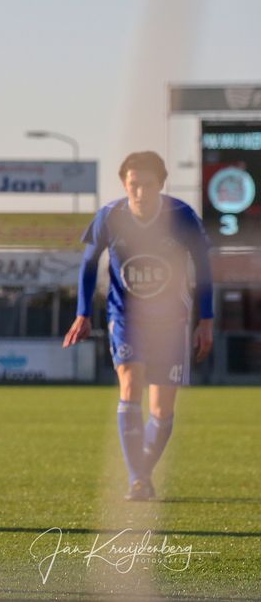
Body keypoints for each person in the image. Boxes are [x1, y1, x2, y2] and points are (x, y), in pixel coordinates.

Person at [63, 151, 213, 501]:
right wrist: (83, 313)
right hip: (125, 317)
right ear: (124, 185)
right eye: (134, 185)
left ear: (161, 184)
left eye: (147, 185)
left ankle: (141, 472)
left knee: (161, 410)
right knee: (129, 384)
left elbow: (204, 268)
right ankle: (139, 481)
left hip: (171, 321)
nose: (140, 192)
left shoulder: (181, 217)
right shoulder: (110, 216)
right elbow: (88, 266)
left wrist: (206, 319)